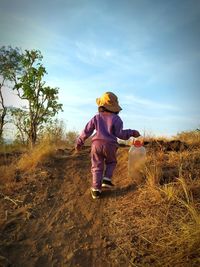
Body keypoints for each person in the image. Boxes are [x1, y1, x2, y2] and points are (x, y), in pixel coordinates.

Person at [75, 92, 140, 199]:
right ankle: (107, 179)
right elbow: (120, 134)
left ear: (101, 106)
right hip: (110, 145)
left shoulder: (96, 118)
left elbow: (86, 131)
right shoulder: (117, 119)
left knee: (96, 166)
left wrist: (79, 142)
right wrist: (132, 132)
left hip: (96, 145)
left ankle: (96, 190)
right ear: (115, 108)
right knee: (111, 162)